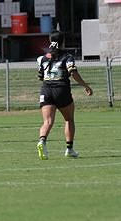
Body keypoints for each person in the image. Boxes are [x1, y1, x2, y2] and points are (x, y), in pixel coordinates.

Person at [36, 30, 93, 160]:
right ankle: (69, 149)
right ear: (63, 42)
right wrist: (85, 85)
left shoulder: (42, 58)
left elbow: (40, 77)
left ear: (50, 41)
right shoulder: (67, 57)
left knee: (47, 121)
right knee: (68, 119)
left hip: (46, 90)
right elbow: (73, 73)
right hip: (61, 90)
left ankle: (42, 141)